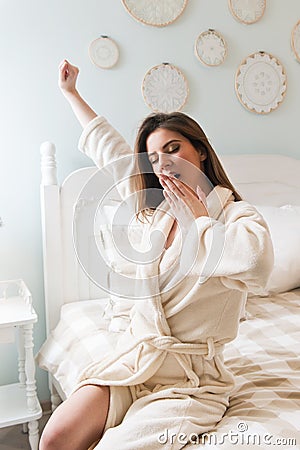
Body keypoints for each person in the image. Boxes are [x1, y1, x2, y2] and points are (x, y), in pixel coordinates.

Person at [39, 60, 274, 450]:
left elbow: (257, 264)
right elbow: (112, 154)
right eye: (153, 157)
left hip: (190, 383)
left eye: (173, 148)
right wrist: (72, 94)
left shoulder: (235, 215)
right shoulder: (153, 214)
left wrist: (202, 224)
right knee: (55, 438)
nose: (163, 161)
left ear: (199, 151)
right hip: (136, 365)